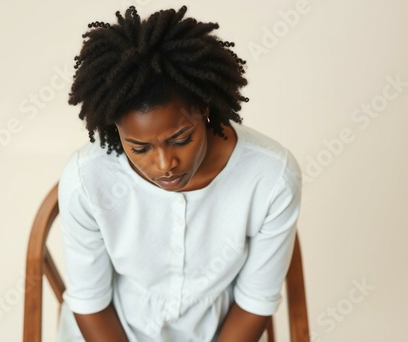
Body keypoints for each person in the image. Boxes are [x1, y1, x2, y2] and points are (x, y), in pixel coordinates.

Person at [56, 5, 302, 342]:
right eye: (140, 148)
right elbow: (90, 302)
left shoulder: (271, 176)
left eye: (181, 139)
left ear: (203, 108)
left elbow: (255, 302)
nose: (164, 164)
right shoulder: (88, 179)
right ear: (115, 129)